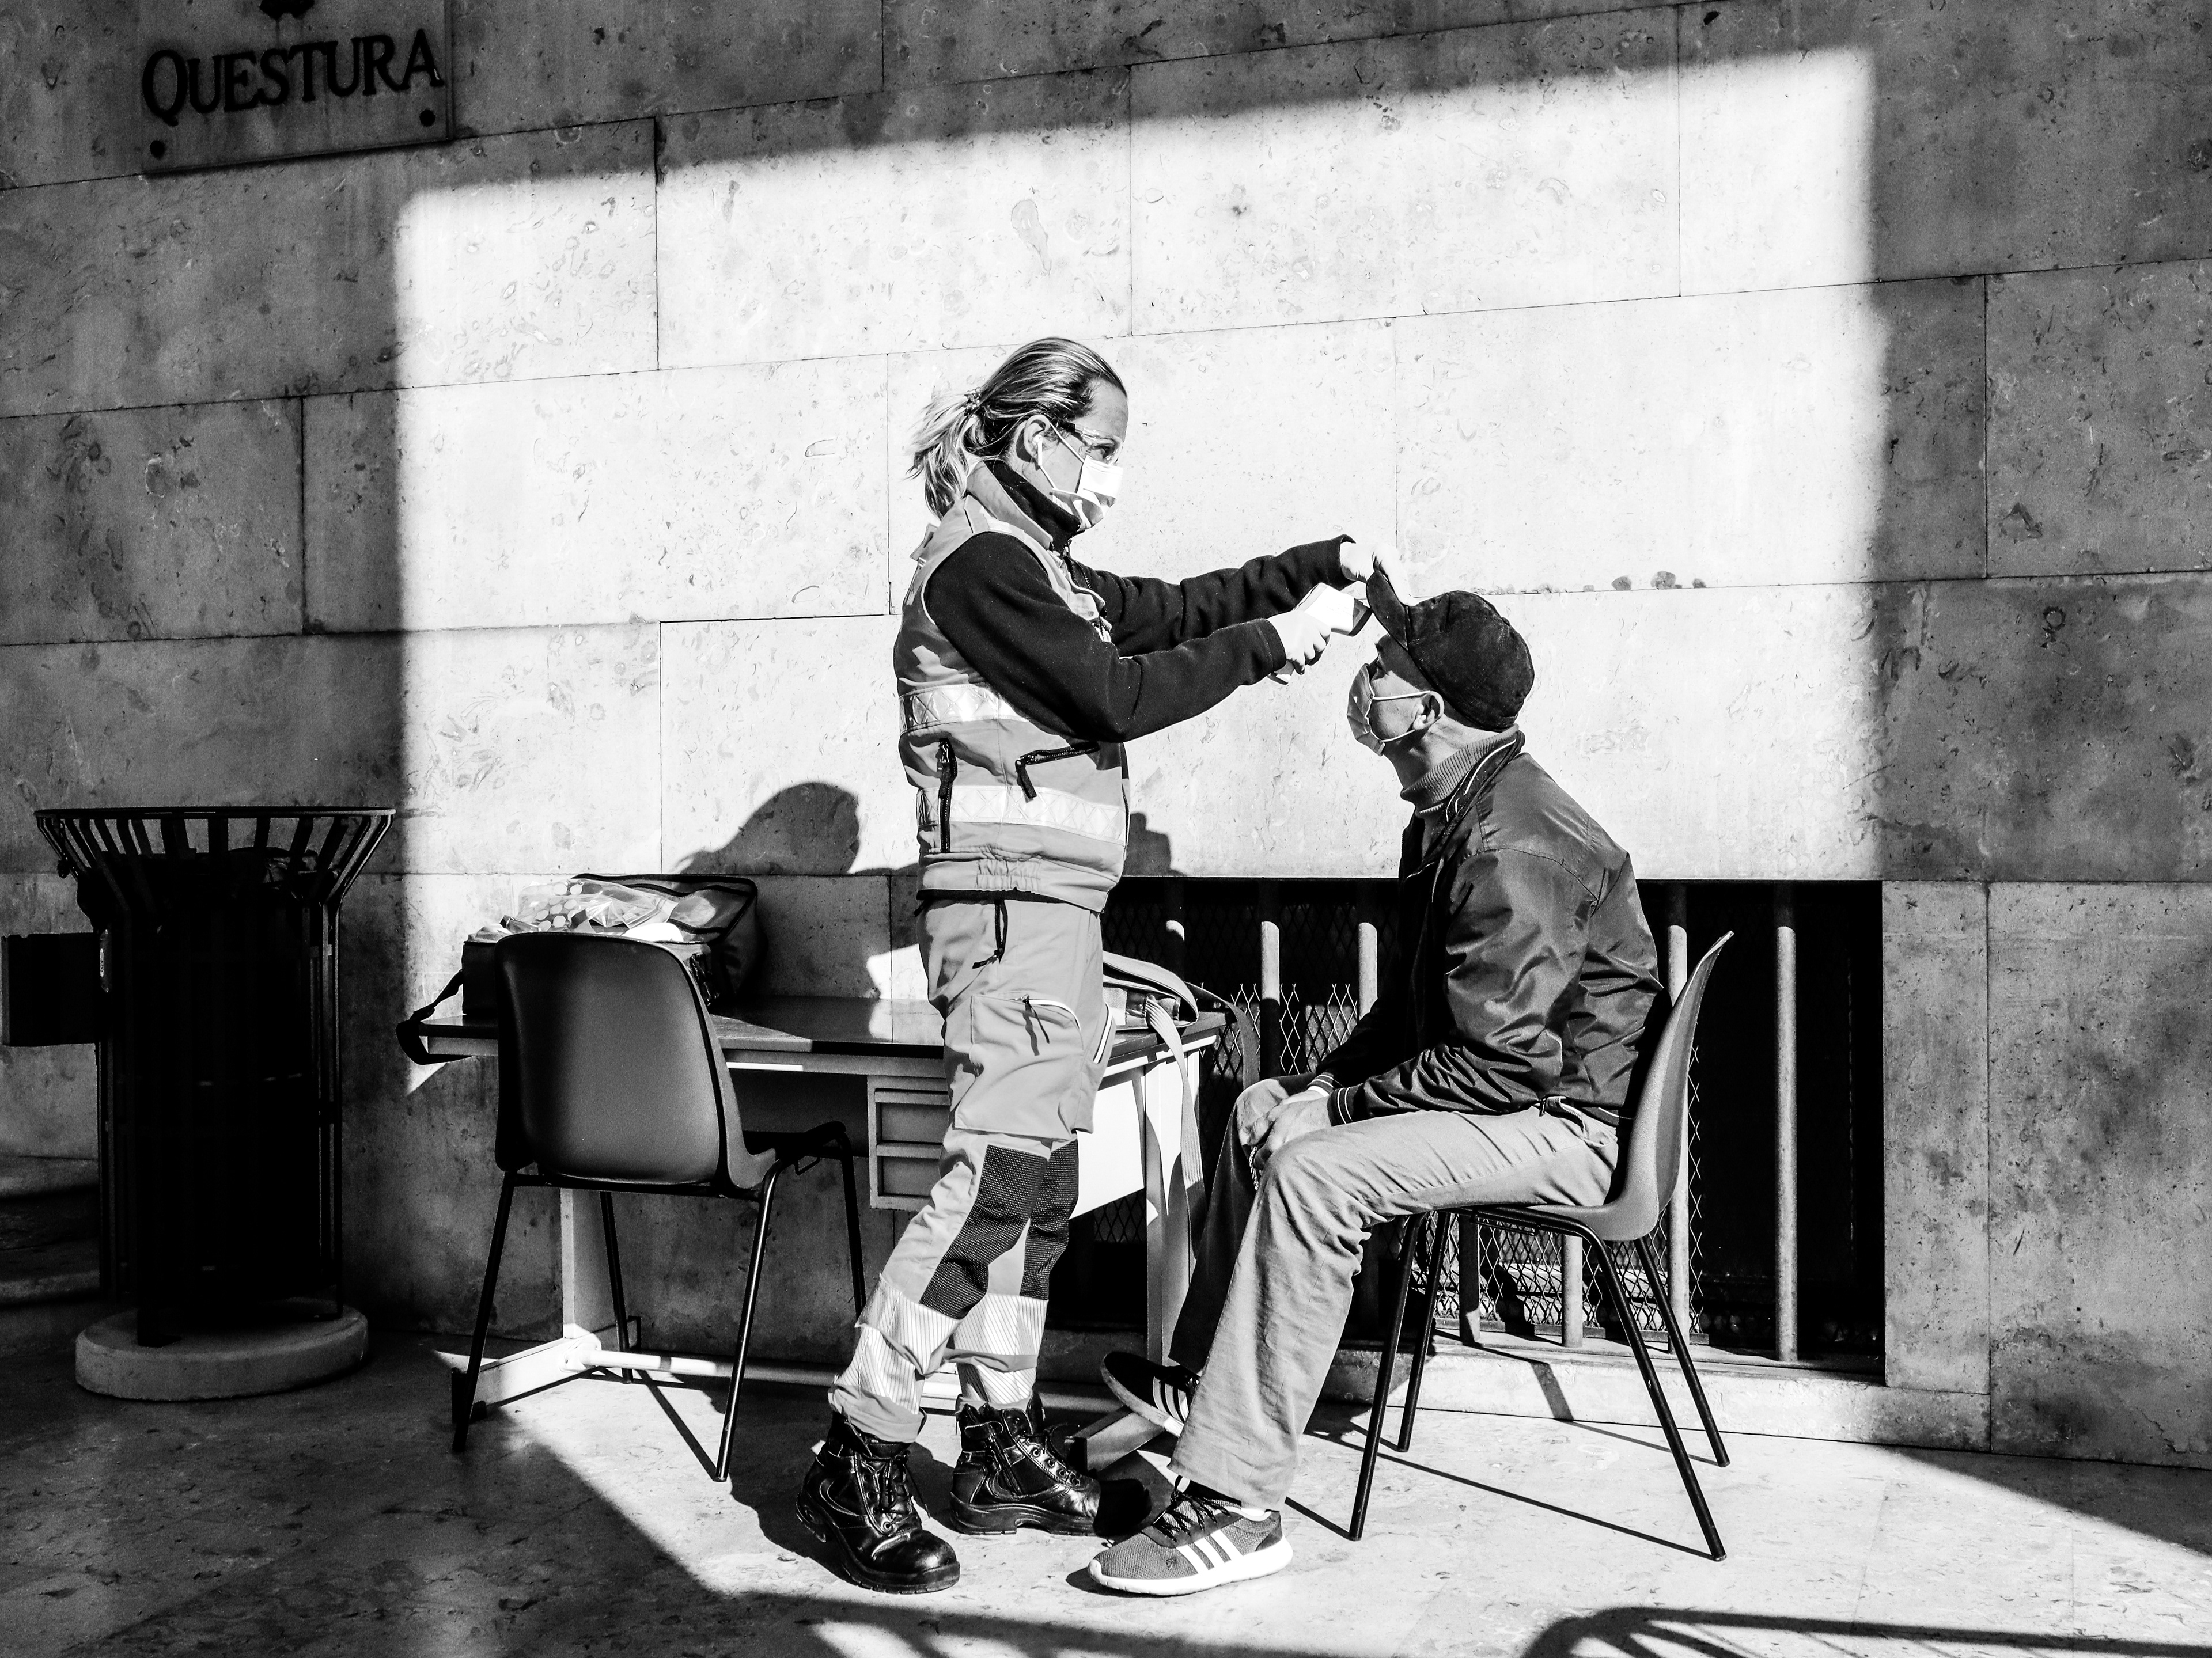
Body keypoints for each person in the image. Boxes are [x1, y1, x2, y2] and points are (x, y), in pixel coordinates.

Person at [796, 337, 1374, 1594]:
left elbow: (1165, 611)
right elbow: (1114, 692)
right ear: (1036, 435)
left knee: (1038, 1191)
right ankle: (860, 1446)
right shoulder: (983, 567)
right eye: (1100, 449)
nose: (1111, 475)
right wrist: (1275, 642)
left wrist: (1304, 569)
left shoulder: (1039, 564)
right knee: (991, 1184)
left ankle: (998, 1440)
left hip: (1048, 919)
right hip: (1006, 920)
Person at [1086, 569, 1662, 1596]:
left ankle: (1237, 1504)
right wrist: (1315, 1085)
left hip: (1563, 1124)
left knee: (1317, 1175)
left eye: (1383, 664)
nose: (1364, 676)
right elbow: (1418, 1015)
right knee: (1261, 1111)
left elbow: (1503, 1062)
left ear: (1425, 710)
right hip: (1513, 1093)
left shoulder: (1513, 843)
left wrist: (1339, 1111)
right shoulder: (1460, 808)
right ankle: (1207, 1386)